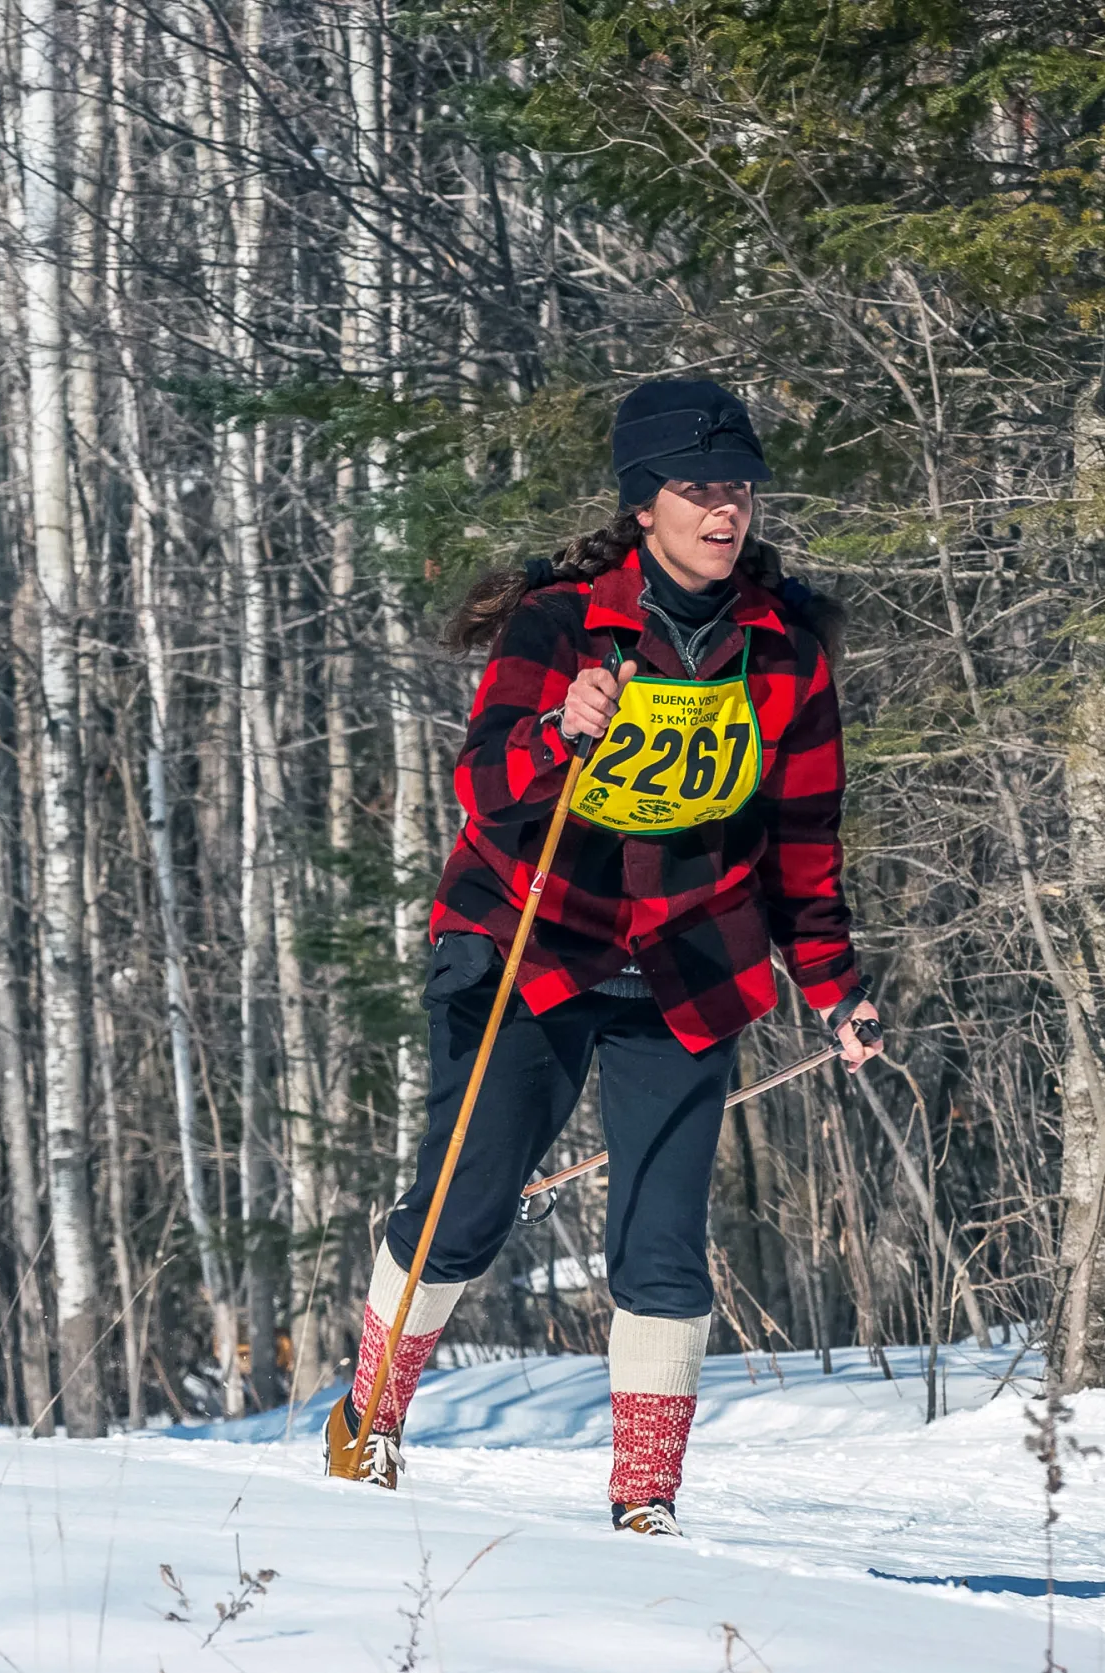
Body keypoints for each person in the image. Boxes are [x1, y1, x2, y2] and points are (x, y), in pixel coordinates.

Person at [325, 379, 882, 1534]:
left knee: (665, 1244)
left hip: (687, 966)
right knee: (464, 1206)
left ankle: (645, 1502)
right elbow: (483, 791)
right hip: (530, 941)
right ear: (645, 505)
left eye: (736, 488)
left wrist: (835, 991)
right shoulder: (563, 622)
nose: (724, 512)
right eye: (697, 490)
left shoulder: (785, 646)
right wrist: (557, 732)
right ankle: (369, 1425)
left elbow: (802, 842)